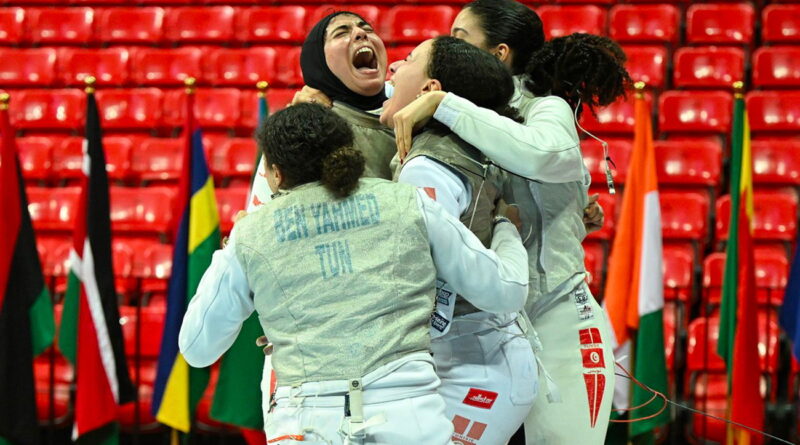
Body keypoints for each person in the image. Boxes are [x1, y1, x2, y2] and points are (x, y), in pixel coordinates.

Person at [178, 103, 530, 444]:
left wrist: (229, 251)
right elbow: (505, 292)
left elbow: (197, 348)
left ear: (275, 173)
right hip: (409, 417)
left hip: (306, 424)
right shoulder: (408, 202)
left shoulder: (252, 233)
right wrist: (503, 226)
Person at [390, 1, 633, 439]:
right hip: (484, 331)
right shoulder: (453, 119)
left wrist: (444, 103)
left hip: (558, 315)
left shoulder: (544, 107)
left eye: (461, 38)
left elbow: (548, 156)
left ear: (499, 52)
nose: (449, 47)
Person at [380, 35, 538, 445]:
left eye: (408, 60)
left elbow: (427, 287)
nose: (393, 67)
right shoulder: (470, 145)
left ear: (430, 90)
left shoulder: (427, 167)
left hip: (473, 370)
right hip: (483, 357)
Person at [298, 11, 396, 180]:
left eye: (368, 29)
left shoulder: (415, 104)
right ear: (318, 61)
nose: (361, 33)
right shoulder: (303, 133)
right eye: (341, 33)